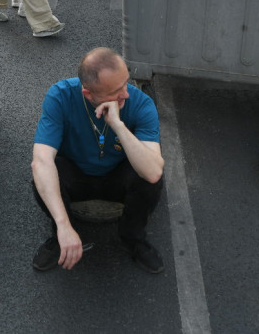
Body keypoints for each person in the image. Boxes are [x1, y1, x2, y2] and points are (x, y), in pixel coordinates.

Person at [31, 47, 165, 273]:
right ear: (89, 94)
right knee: (44, 173)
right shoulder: (60, 96)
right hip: (77, 176)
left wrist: (118, 125)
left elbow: (153, 171)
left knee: (149, 177)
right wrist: (64, 226)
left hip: (117, 177)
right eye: (115, 90)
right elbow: (41, 160)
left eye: (125, 82)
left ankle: (132, 239)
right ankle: (61, 235)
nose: (126, 94)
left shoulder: (142, 104)